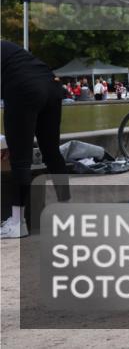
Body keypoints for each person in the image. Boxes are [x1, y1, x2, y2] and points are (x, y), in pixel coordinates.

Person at [1, 42, 70, 239]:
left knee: (20, 161)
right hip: (52, 84)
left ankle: (17, 223)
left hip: (23, 87)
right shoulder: (7, 49)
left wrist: (9, 143)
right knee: (51, 151)